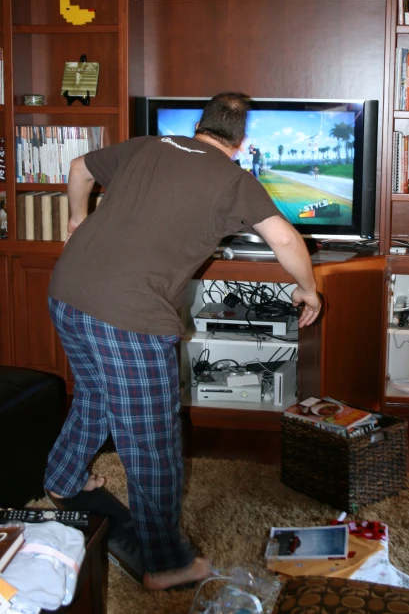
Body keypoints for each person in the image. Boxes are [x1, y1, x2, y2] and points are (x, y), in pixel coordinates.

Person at [44, 92, 322, 591]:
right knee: (151, 442)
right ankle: (168, 563)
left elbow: (79, 166)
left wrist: (76, 219)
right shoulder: (235, 178)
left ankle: (62, 479)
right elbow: (284, 239)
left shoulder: (147, 145)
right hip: (129, 319)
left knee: (95, 394)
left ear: (199, 125)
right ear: (241, 142)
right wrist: (308, 289)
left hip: (66, 292)